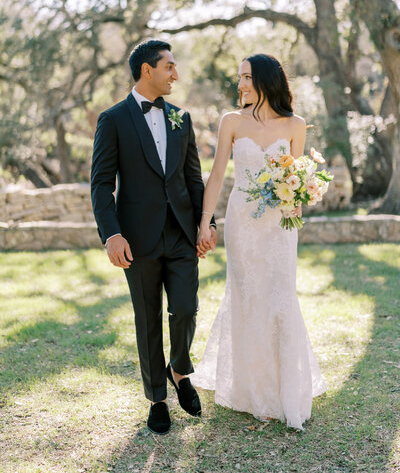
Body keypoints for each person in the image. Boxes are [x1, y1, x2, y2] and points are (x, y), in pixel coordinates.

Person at [193, 54, 327, 430]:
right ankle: (251, 389)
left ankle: (285, 387)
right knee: (248, 295)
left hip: (280, 226)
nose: (241, 84)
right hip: (242, 221)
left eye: (248, 77)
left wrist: (300, 196)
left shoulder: (295, 125)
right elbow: (217, 174)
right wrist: (206, 222)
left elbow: (296, 176)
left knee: (281, 297)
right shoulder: (231, 122)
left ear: (267, 79)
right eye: (240, 78)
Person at [91, 39, 217, 435]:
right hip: (137, 240)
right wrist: (111, 234)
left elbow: (193, 179)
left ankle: (179, 369)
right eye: (169, 67)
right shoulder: (112, 119)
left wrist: (206, 223)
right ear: (147, 70)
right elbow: (100, 184)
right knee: (147, 320)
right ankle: (157, 399)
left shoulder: (182, 117)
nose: (175, 74)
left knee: (186, 309)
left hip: (181, 236)